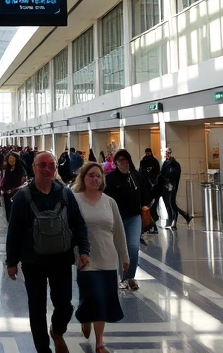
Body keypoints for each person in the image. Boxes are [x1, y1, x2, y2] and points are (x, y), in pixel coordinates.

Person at [6, 151, 91, 353]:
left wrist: (84, 250)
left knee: (64, 304)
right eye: (42, 165)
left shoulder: (65, 193)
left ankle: (57, 329)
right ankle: (43, 349)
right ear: (34, 168)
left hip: (61, 259)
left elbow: (79, 224)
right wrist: (11, 262)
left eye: (51, 165)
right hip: (32, 261)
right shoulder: (23, 197)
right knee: (37, 308)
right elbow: (14, 231)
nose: (46, 169)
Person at [72, 162, 128, 353]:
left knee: (102, 300)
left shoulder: (109, 202)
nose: (95, 179)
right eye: (91, 175)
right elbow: (69, 229)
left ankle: (99, 342)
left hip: (108, 257)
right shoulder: (74, 199)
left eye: (98, 176)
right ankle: (85, 316)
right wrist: (75, 254)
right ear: (83, 178)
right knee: (93, 296)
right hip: (85, 258)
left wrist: (125, 257)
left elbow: (119, 232)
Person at [103, 149, 149, 291]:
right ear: (116, 163)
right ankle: (120, 277)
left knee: (133, 247)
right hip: (117, 218)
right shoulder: (110, 179)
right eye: (121, 160)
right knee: (118, 249)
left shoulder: (136, 176)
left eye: (126, 160)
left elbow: (145, 194)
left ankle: (129, 277)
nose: (124, 163)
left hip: (134, 217)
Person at [160, 148, 191, 228]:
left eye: (167, 153)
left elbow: (172, 175)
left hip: (172, 186)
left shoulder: (174, 164)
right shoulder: (166, 163)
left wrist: (166, 177)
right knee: (170, 203)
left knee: (172, 203)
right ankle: (182, 217)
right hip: (166, 186)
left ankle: (177, 219)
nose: (166, 155)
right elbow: (162, 173)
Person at [0, 152, 27, 222]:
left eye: (13, 159)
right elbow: (2, 180)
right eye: (10, 159)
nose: (12, 161)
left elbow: (23, 182)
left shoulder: (21, 169)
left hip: (17, 192)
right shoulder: (5, 169)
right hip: (7, 193)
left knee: (17, 210)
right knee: (8, 210)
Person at [138, 148, 161, 232]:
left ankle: (152, 225)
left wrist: (154, 182)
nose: (147, 154)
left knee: (152, 208)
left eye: (148, 153)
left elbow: (158, 173)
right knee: (149, 209)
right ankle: (151, 226)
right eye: (146, 153)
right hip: (147, 189)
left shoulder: (154, 162)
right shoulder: (144, 161)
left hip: (153, 188)